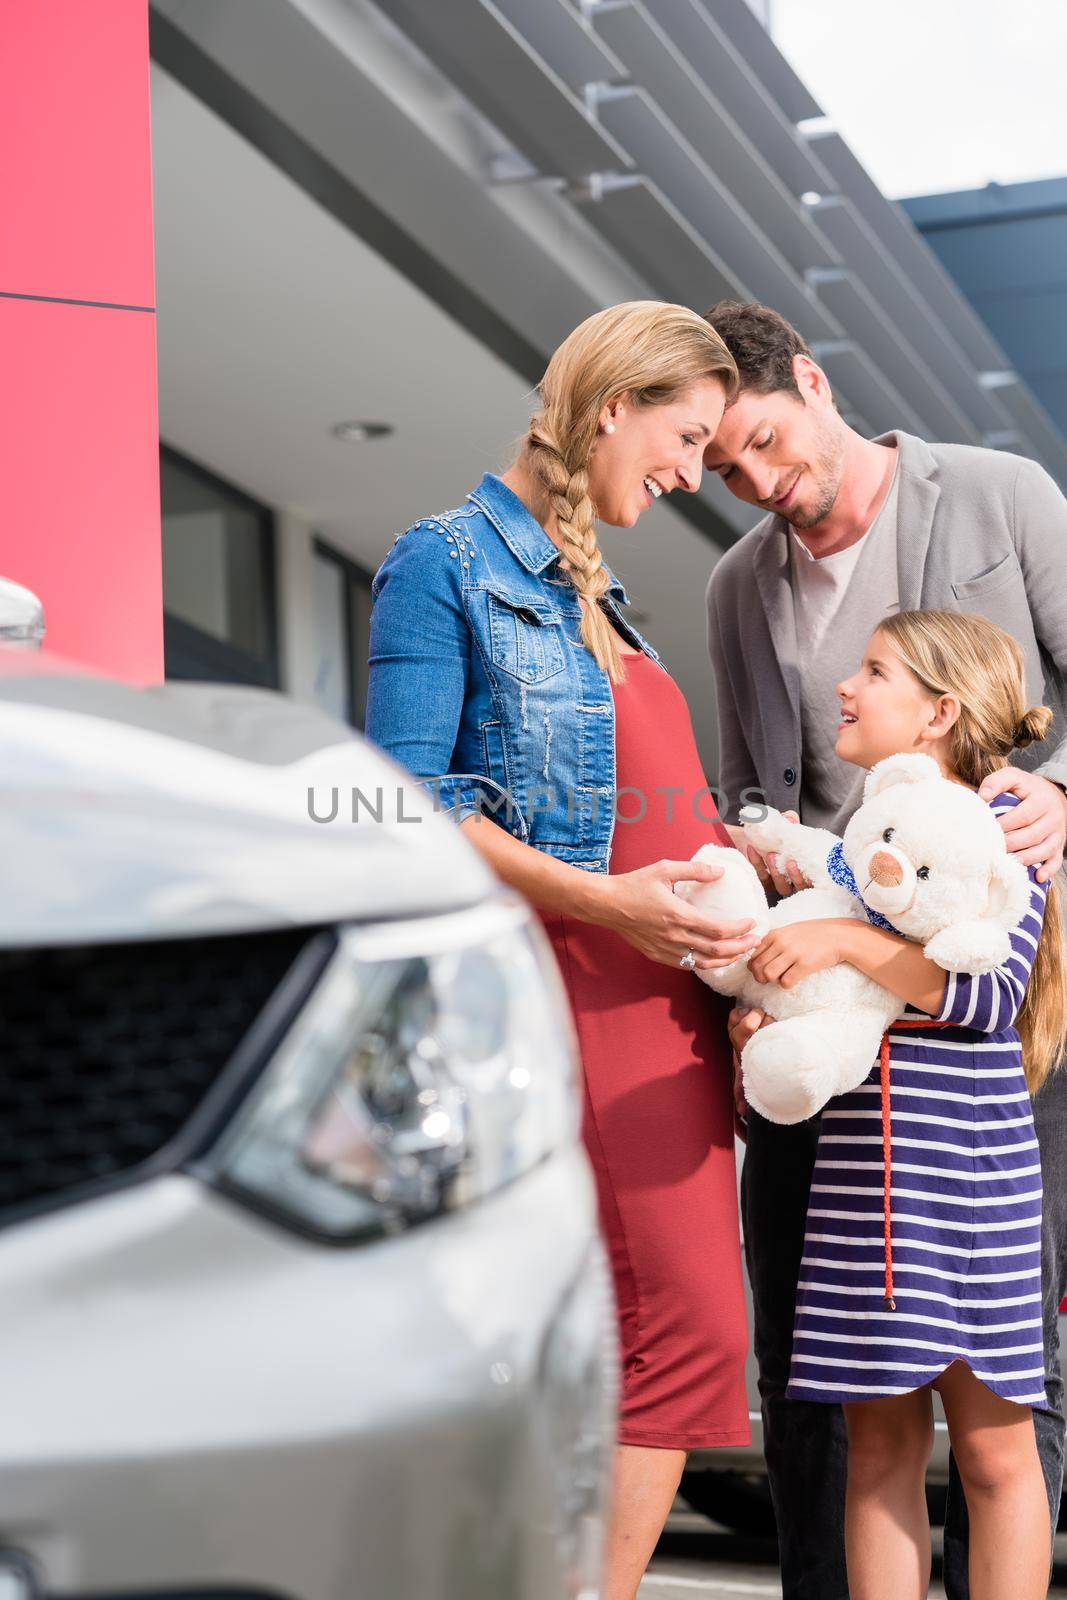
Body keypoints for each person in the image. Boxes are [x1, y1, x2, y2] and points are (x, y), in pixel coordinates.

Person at [366, 301, 753, 1600]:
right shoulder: (445, 562)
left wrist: (738, 955)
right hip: (569, 994)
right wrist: (621, 911)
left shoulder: (609, 602)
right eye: (682, 438)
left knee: (634, 1348)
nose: (691, 476)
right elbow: (409, 814)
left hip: (670, 1012)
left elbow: (665, 821)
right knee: (683, 1332)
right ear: (608, 409)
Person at [703, 298, 1067, 1600]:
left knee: (999, 1389)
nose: (753, 481)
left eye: (759, 441)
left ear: (809, 378)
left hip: (989, 1028)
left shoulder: (996, 495)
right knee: (816, 1372)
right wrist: (758, 971)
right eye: (722, 467)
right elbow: (746, 800)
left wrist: (1062, 796)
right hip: (820, 1038)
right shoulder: (736, 587)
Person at [745, 609, 1065, 1600]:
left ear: (936, 712)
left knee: (993, 1455)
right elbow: (824, 994)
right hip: (859, 1188)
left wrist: (839, 946)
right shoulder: (854, 844)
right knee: (877, 1449)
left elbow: (983, 995)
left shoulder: (999, 832)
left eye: (872, 670)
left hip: (968, 1190)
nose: (844, 686)